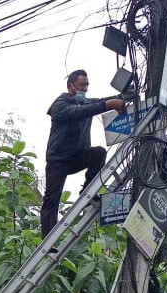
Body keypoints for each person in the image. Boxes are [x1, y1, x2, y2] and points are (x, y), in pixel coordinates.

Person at [40, 69, 126, 239]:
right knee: (52, 199)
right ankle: (48, 239)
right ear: (70, 86)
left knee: (98, 153)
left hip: (77, 157)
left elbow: (101, 101)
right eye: (81, 85)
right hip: (58, 161)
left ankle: (88, 191)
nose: (85, 89)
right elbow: (79, 112)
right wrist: (107, 106)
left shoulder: (85, 103)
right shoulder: (60, 105)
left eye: (87, 85)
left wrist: (122, 98)